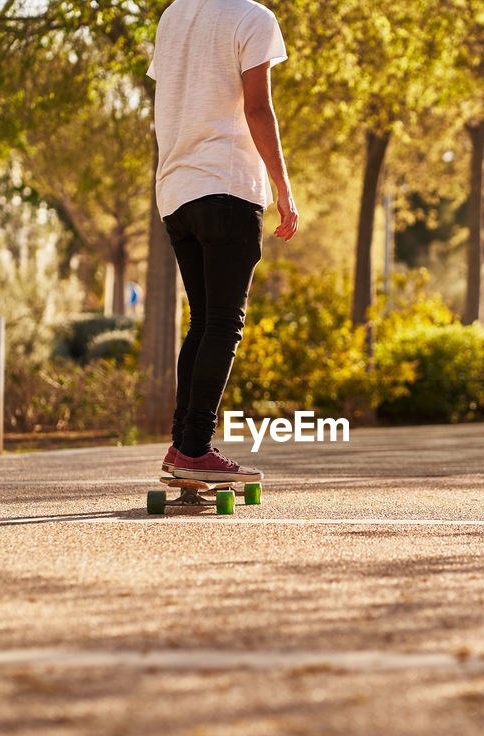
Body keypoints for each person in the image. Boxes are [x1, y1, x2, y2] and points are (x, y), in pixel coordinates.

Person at [148, 0, 298, 483]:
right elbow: (257, 107)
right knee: (223, 324)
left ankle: (181, 447)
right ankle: (195, 448)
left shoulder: (172, 16)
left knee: (203, 322)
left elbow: (170, 101)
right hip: (228, 184)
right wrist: (283, 189)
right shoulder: (253, 17)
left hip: (176, 189)